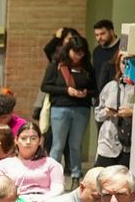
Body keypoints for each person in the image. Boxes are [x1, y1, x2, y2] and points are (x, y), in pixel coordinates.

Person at [41, 37, 95, 182]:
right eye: (75, 53)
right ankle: (52, 176)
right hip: (60, 107)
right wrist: (66, 90)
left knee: (76, 144)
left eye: (81, 53)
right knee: (58, 144)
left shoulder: (87, 67)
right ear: (68, 50)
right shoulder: (57, 65)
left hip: (81, 108)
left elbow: (95, 89)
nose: (78, 56)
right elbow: (45, 86)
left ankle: (76, 175)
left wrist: (85, 93)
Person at [0, 122, 63, 202]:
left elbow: (58, 188)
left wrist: (39, 201)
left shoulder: (51, 163)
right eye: (23, 138)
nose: (28, 142)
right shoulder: (3, 165)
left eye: (33, 138)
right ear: (16, 140)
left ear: (40, 141)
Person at [94, 65, 135, 170]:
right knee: (102, 175)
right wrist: (106, 112)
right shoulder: (110, 86)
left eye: (129, 63)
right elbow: (97, 114)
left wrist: (132, 113)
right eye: (123, 62)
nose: (126, 66)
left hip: (129, 143)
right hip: (108, 141)